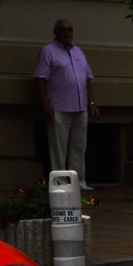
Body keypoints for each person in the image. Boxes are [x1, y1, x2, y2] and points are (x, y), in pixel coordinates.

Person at [33, 18, 99, 190]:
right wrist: (45, 106)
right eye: (62, 30)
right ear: (56, 32)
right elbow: (40, 80)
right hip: (58, 107)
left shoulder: (79, 52)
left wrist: (91, 103)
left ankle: (79, 181)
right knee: (59, 149)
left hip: (80, 107)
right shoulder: (48, 52)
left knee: (79, 147)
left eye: (69, 29)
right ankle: (61, 184)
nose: (66, 33)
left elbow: (87, 80)